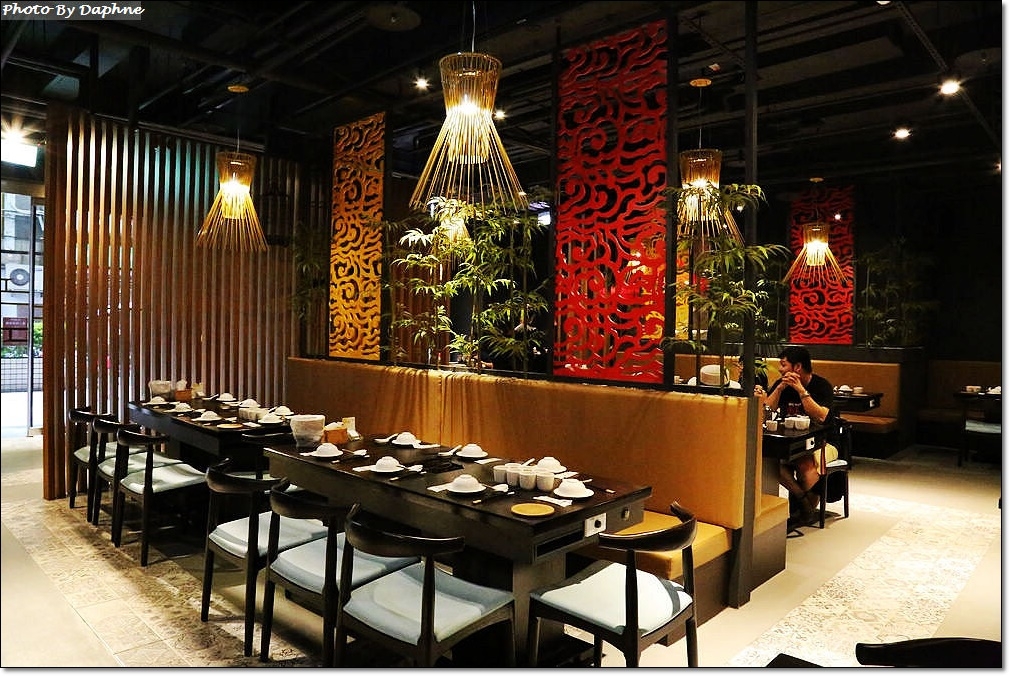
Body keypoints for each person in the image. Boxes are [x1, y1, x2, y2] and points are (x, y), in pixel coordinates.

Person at [754, 346, 837, 527]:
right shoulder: (782, 384)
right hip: (792, 441)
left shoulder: (822, 385)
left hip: (824, 441)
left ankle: (806, 510)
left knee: (805, 465)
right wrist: (779, 389)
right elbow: (765, 412)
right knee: (771, 461)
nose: (780, 369)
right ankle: (804, 503)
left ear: (797, 367)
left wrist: (801, 390)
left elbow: (822, 416)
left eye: (783, 365)